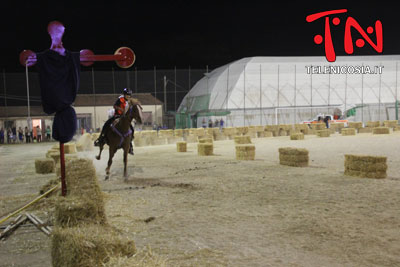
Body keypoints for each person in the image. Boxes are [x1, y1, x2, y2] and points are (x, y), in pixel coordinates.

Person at [94, 88, 134, 155]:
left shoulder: (130, 102)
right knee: (106, 124)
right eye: (127, 95)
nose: (128, 96)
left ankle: (130, 146)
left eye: (129, 95)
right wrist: (121, 109)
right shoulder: (120, 99)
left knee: (131, 128)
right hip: (117, 116)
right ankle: (100, 139)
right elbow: (114, 106)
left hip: (124, 118)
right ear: (124, 94)